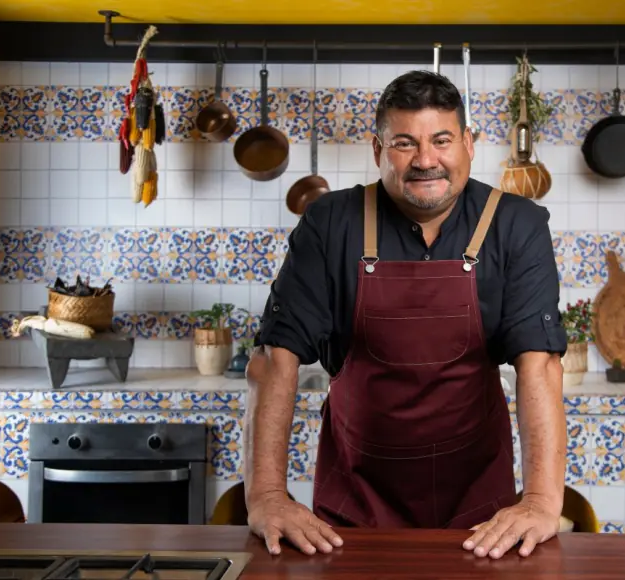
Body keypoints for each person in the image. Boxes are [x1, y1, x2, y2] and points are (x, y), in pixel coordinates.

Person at [243, 69, 567, 560]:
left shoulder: (517, 225)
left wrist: (542, 501)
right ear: (377, 151)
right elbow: (275, 358)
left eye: (441, 140)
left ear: (469, 144)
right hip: (354, 499)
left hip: (480, 509)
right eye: (404, 143)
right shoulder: (329, 223)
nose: (425, 160)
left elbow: (539, 364)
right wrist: (267, 496)